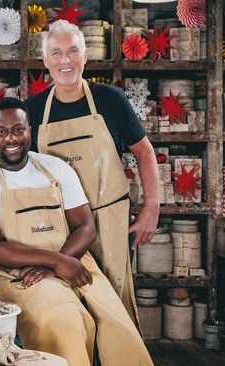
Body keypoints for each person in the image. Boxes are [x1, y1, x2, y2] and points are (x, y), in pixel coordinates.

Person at [0, 97, 153, 366]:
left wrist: (60, 262)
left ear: (30, 129)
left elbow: (85, 226)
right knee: (64, 319)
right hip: (20, 274)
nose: (10, 139)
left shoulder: (56, 168)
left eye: (18, 129)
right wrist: (55, 262)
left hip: (75, 260)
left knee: (121, 329)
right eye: (1, 132)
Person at [25, 19, 160, 324]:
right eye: (56, 53)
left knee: (113, 309)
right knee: (67, 308)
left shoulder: (110, 100)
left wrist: (152, 205)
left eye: (73, 51)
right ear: (45, 60)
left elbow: (144, 151)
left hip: (110, 223)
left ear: (85, 57)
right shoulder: (32, 109)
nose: (65, 60)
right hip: (59, 228)